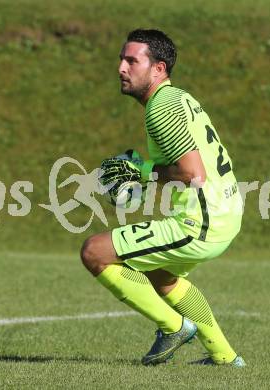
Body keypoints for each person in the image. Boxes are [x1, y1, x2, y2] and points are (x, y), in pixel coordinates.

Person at [81, 29, 245, 367]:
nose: (121, 68)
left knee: (95, 252)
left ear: (159, 68)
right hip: (225, 214)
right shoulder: (178, 98)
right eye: (121, 59)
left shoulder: (161, 109)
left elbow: (192, 174)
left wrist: (143, 172)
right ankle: (225, 357)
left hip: (201, 223)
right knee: (162, 275)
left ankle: (173, 327)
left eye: (132, 60)